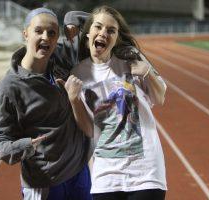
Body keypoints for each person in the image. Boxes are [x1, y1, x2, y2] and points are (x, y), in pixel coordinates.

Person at [0, 8, 93, 200]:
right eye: (39, 31)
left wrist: (71, 19)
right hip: (44, 183)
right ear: (25, 33)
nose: (46, 37)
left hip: (79, 175)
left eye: (52, 33)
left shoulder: (61, 61)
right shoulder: (10, 87)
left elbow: (97, 25)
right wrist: (26, 145)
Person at [71, 6, 167, 200]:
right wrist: (74, 100)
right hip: (106, 175)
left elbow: (159, 98)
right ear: (88, 33)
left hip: (146, 171)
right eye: (98, 27)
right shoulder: (78, 74)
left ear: (116, 38)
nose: (103, 33)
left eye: (111, 30)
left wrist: (147, 72)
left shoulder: (129, 57)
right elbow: (89, 130)